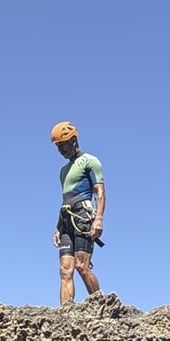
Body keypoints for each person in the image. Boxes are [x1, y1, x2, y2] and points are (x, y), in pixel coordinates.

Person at [50, 121, 105, 307]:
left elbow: (99, 191)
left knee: (82, 266)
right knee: (65, 270)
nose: (61, 150)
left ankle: (103, 307)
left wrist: (98, 219)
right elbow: (65, 199)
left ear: (73, 140)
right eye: (58, 146)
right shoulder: (63, 171)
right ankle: (66, 313)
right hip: (66, 220)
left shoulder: (90, 161)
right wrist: (58, 228)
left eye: (63, 144)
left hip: (83, 217)